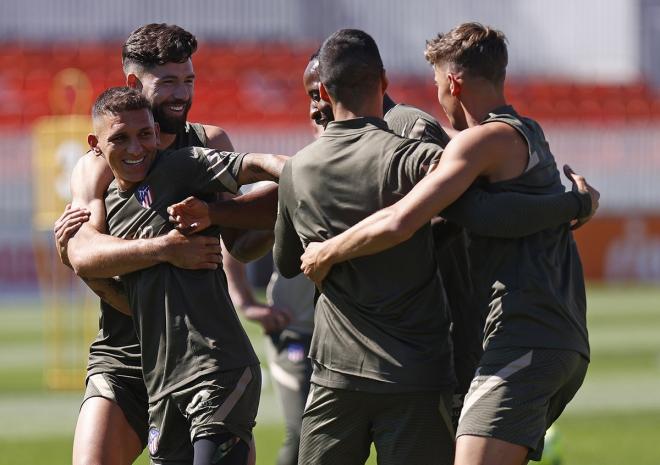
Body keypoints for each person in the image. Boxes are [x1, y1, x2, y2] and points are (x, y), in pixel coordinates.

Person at [299, 23, 598, 465]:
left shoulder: (483, 140)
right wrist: (572, 203)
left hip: (526, 335)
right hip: (554, 335)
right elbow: (488, 215)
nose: (438, 98)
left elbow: (402, 219)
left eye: (438, 85)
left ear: (453, 82)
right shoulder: (528, 133)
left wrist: (328, 250)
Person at [52, 23, 271, 465]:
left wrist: (284, 210)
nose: (181, 94)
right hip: (125, 357)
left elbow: (243, 246)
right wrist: (167, 249)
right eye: (168, 81)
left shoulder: (209, 142)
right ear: (134, 83)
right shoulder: (97, 163)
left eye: (188, 80)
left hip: (197, 356)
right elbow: (83, 253)